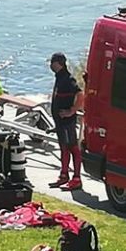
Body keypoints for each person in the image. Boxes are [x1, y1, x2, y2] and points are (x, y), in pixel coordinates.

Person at [48, 52, 85, 191]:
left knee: (73, 148)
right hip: (59, 122)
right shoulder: (59, 77)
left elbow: (80, 94)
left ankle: (76, 178)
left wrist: (72, 111)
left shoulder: (68, 79)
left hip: (67, 122)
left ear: (59, 63)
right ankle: (64, 175)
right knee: (64, 147)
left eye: (52, 62)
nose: (50, 65)